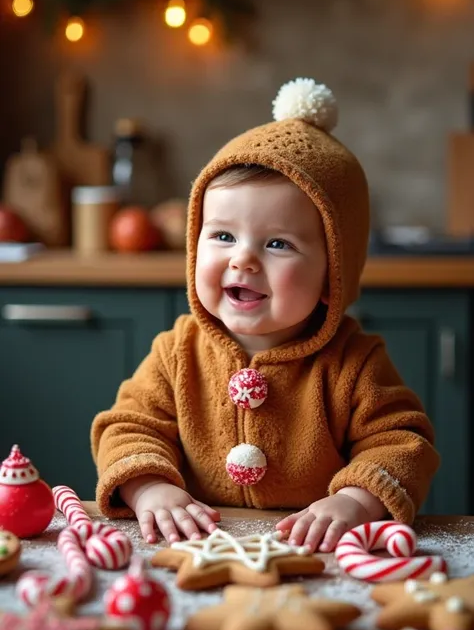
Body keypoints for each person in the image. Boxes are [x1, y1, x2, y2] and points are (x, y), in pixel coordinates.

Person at [91, 77, 439, 552]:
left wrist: (356, 502)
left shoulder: (354, 364)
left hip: (311, 555)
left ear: (331, 275)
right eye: (223, 236)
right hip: (200, 546)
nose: (243, 260)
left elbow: (401, 442)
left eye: (278, 243)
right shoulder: (177, 352)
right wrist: (150, 487)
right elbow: (128, 427)